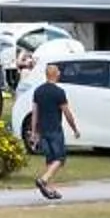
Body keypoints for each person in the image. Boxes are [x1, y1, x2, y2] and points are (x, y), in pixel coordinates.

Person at [30, 62, 77, 201]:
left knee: (50, 159)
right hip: (54, 129)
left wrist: (33, 132)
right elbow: (66, 112)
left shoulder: (38, 91)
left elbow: (34, 113)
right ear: (55, 74)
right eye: (58, 72)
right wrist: (74, 128)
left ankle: (49, 189)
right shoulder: (59, 92)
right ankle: (43, 180)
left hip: (42, 129)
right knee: (60, 158)